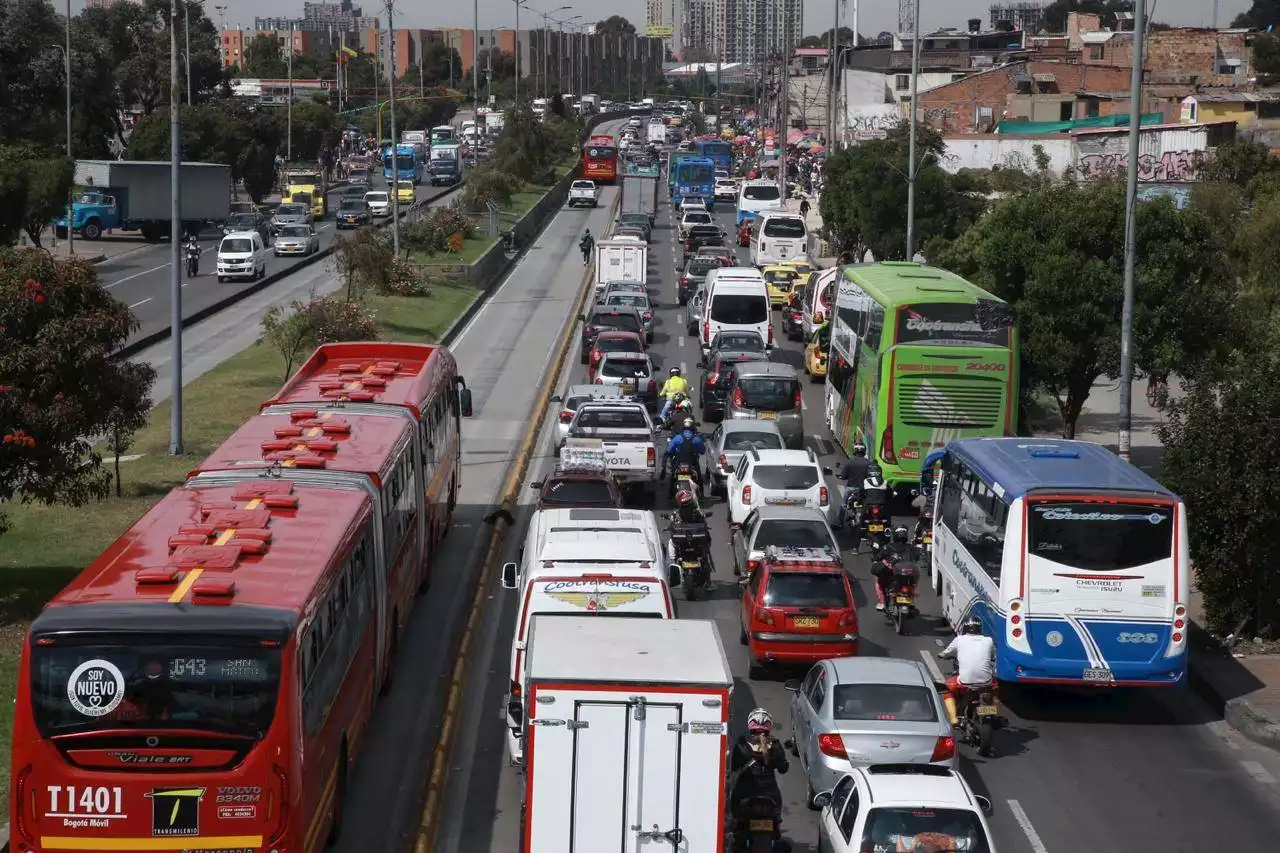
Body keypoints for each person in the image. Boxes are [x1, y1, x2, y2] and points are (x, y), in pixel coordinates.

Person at [729, 708, 789, 828]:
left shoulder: (741, 744)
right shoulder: (775, 744)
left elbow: (734, 766)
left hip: (744, 791)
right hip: (769, 791)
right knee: (776, 817)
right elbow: (783, 768)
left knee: (735, 812)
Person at [938, 616, 997, 707]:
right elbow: (993, 657)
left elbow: (945, 653)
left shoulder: (959, 639)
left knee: (947, 688)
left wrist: (941, 655)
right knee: (995, 685)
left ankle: (954, 718)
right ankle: (992, 705)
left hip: (965, 682)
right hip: (986, 681)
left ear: (964, 627)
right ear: (980, 628)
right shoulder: (988, 640)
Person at [871, 525, 914, 610]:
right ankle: (910, 601)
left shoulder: (888, 546)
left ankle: (882, 602)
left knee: (878, 582)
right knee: (911, 584)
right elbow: (917, 556)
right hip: (907, 575)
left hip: (891, 575)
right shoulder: (911, 547)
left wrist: (876, 559)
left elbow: (878, 556)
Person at [831, 442, 870, 530]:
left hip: (851, 488)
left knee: (843, 505)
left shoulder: (850, 462)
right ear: (864, 451)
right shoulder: (868, 463)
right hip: (864, 489)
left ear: (855, 451)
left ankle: (840, 523)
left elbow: (843, 476)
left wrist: (840, 476)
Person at [664, 418, 706, 498]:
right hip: (692, 463)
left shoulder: (677, 438)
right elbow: (702, 451)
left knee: (672, 476)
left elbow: (669, 450)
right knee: (699, 478)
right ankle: (701, 495)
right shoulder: (696, 439)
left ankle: (670, 494)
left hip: (679, 462)